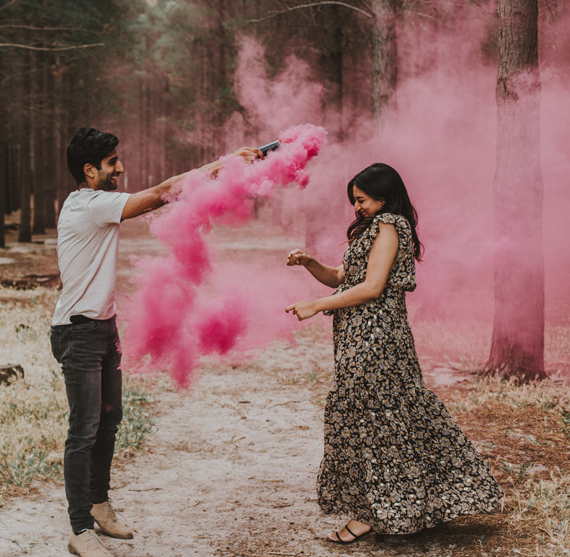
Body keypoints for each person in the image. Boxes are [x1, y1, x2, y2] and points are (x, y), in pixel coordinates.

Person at [50, 127, 261, 557]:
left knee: (109, 421)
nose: (120, 168)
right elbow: (164, 192)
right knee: (83, 431)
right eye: (111, 163)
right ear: (89, 171)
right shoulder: (89, 205)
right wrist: (226, 164)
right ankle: (78, 529)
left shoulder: (95, 202)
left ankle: (99, 506)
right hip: (78, 332)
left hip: (102, 328)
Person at [284, 163, 502, 544]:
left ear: (384, 196)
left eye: (362, 199)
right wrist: (309, 263)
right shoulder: (372, 230)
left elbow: (372, 287)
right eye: (354, 201)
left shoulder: (390, 226)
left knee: (375, 422)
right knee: (383, 419)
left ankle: (371, 514)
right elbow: (342, 277)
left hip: (378, 339)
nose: (357, 207)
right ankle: (416, 502)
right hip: (359, 337)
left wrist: (318, 305)